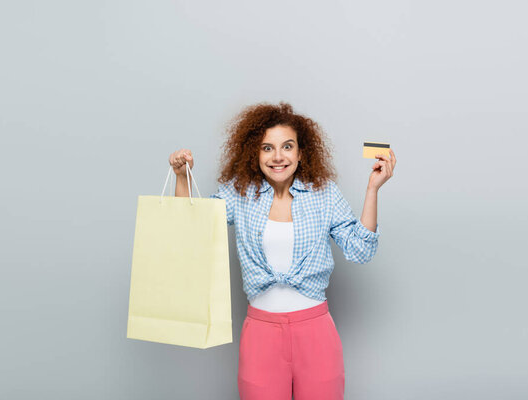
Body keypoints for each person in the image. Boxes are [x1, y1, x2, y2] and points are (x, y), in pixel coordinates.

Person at [168, 102, 396, 400]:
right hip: (260, 334)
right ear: (255, 154)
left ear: (301, 153)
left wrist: (372, 190)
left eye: (287, 146)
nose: (278, 156)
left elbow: (361, 251)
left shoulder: (324, 194)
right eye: (267, 148)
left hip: (316, 333)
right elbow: (189, 227)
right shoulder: (239, 194)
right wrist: (182, 176)